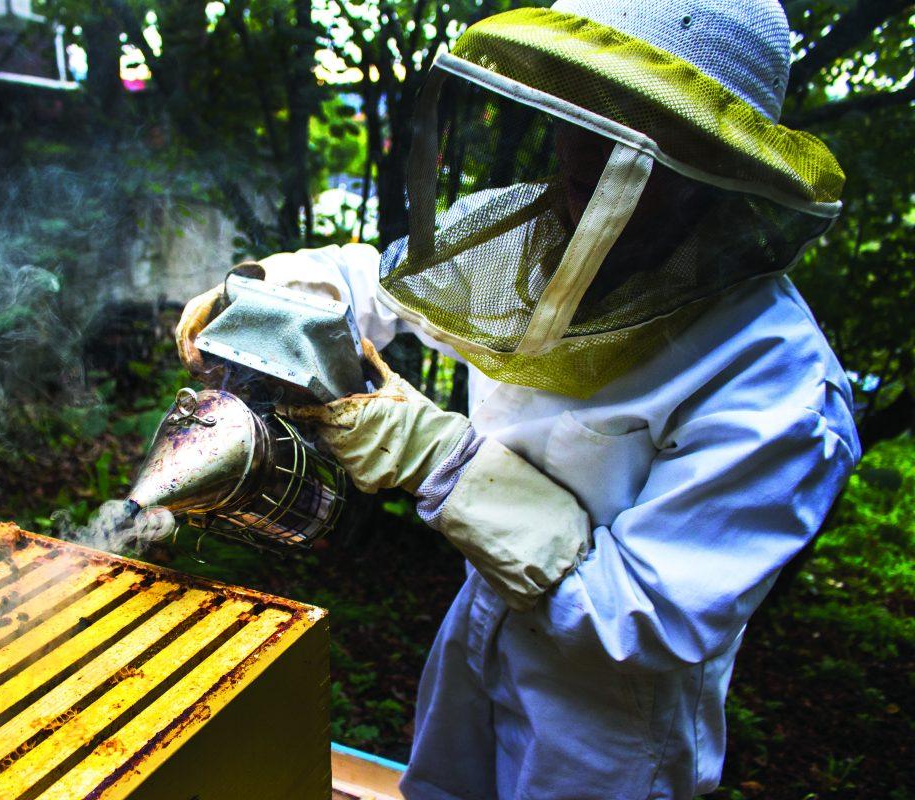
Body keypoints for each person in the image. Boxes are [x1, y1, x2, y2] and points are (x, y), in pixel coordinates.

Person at [177, 1, 860, 797]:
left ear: (709, 164)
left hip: (609, 733)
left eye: (632, 121)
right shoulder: (536, 238)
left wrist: (440, 460)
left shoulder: (774, 382)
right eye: (580, 102)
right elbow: (387, 285)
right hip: (477, 638)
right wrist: (279, 289)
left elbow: (640, 618)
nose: (583, 146)